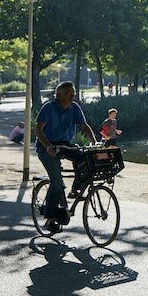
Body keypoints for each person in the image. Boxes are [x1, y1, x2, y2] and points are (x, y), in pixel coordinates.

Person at [33, 81, 97, 233]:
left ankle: (76, 188)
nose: (71, 96)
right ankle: (49, 219)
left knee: (84, 157)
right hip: (47, 146)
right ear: (58, 95)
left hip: (65, 144)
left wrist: (94, 142)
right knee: (56, 182)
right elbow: (38, 130)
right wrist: (48, 146)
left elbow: (84, 126)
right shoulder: (48, 108)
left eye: (73, 94)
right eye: (68, 94)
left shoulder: (75, 108)